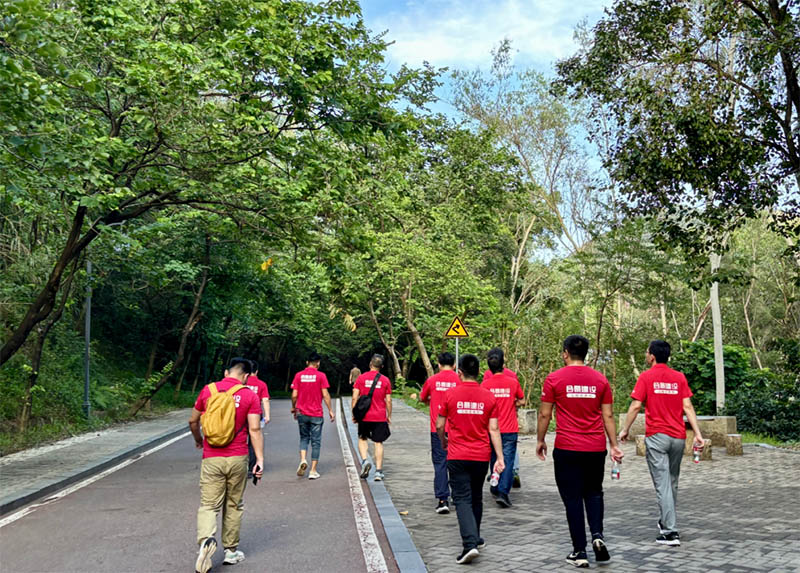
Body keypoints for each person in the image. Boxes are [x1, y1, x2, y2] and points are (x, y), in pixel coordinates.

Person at [536, 335, 623, 568]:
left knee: (573, 498)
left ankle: (579, 551)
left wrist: (540, 440)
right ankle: (597, 535)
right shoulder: (600, 380)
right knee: (594, 493)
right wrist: (614, 445)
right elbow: (608, 415)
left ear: (565, 353)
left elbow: (544, 414)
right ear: (586, 354)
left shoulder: (554, 379)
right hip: (595, 448)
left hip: (568, 448)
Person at [618, 340, 705, 546]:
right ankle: (666, 520)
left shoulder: (646, 377)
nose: (646, 355)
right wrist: (698, 434)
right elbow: (687, 406)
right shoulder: (679, 377)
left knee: (662, 483)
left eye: (647, 352)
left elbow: (635, 406)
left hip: (657, 436)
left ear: (652, 356)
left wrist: (625, 429)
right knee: (671, 481)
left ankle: (670, 532)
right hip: (678, 437)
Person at [189, 357, 263, 573]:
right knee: (234, 504)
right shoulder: (249, 395)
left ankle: (205, 541)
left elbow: (193, 421)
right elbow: (254, 429)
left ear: (226, 372)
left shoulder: (208, 390)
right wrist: (259, 459)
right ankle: (231, 552)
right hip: (238, 457)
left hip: (211, 457)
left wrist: (198, 440)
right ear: (246, 376)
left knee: (208, 504)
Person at [437, 354, 504, 565]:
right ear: (479, 372)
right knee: (476, 497)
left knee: (462, 498)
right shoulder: (489, 397)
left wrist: (443, 441)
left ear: (460, 372)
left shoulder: (450, 394)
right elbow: (494, 429)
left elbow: (439, 425)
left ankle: (469, 544)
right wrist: (500, 457)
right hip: (481, 455)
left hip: (457, 454)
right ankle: (476, 536)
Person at [481, 348, 524, 508]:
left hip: (491, 429)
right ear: (503, 364)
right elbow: (522, 400)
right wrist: (513, 403)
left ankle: (495, 486)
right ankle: (503, 492)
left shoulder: (485, 385)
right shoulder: (513, 382)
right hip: (509, 428)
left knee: (494, 457)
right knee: (507, 460)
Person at [419, 351, 461, 514]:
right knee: (457, 463)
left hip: (438, 429)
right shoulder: (459, 380)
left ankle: (443, 500)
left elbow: (423, 398)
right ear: (454, 365)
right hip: (458, 429)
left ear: (438, 364)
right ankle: (458, 496)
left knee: (440, 464)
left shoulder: (432, 380)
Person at [290, 352, 335, 480]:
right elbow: (325, 395)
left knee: (304, 438)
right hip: (316, 413)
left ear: (307, 362)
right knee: (316, 442)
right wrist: (330, 410)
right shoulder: (321, 376)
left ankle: (303, 460)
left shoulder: (298, 375)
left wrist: (294, 407)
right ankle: (313, 471)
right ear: (318, 363)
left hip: (302, 412)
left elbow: (294, 395)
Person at [352, 354, 392, 481]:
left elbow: (355, 397)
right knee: (378, 442)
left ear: (370, 364)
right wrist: (389, 415)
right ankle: (378, 472)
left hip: (364, 416)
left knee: (362, 438)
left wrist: (354, 414)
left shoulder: (361, 378)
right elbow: (388, 400)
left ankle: (365, 461)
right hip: (379, 416)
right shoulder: (385, 380)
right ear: (382, 366)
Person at [245, 360, 270, 478]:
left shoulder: (241, 382)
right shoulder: (261, 384)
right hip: (255, 414)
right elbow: (265, 400)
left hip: (239, 413)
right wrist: (267, 415)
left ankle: (236, 467)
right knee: (253, 440)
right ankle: (251, 469)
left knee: (237, 439)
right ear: (257, 371)